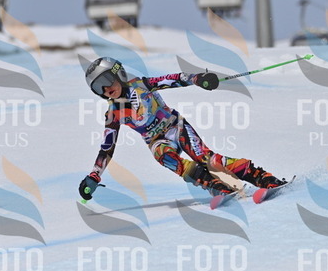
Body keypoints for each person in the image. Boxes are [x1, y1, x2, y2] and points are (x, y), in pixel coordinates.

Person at [79, 57, 286, 201]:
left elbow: (174, 79)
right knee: (165, 157)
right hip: (157, 141)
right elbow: (107, 148)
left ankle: (263, 178)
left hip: (176, 127)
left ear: (118, 73)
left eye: (106, 80)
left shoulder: (141, 85)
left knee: (209, 160)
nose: (106, 89)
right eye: (98, 88)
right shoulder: (113, 113)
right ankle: (217, 186)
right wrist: (95, 175)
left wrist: (198, 79)